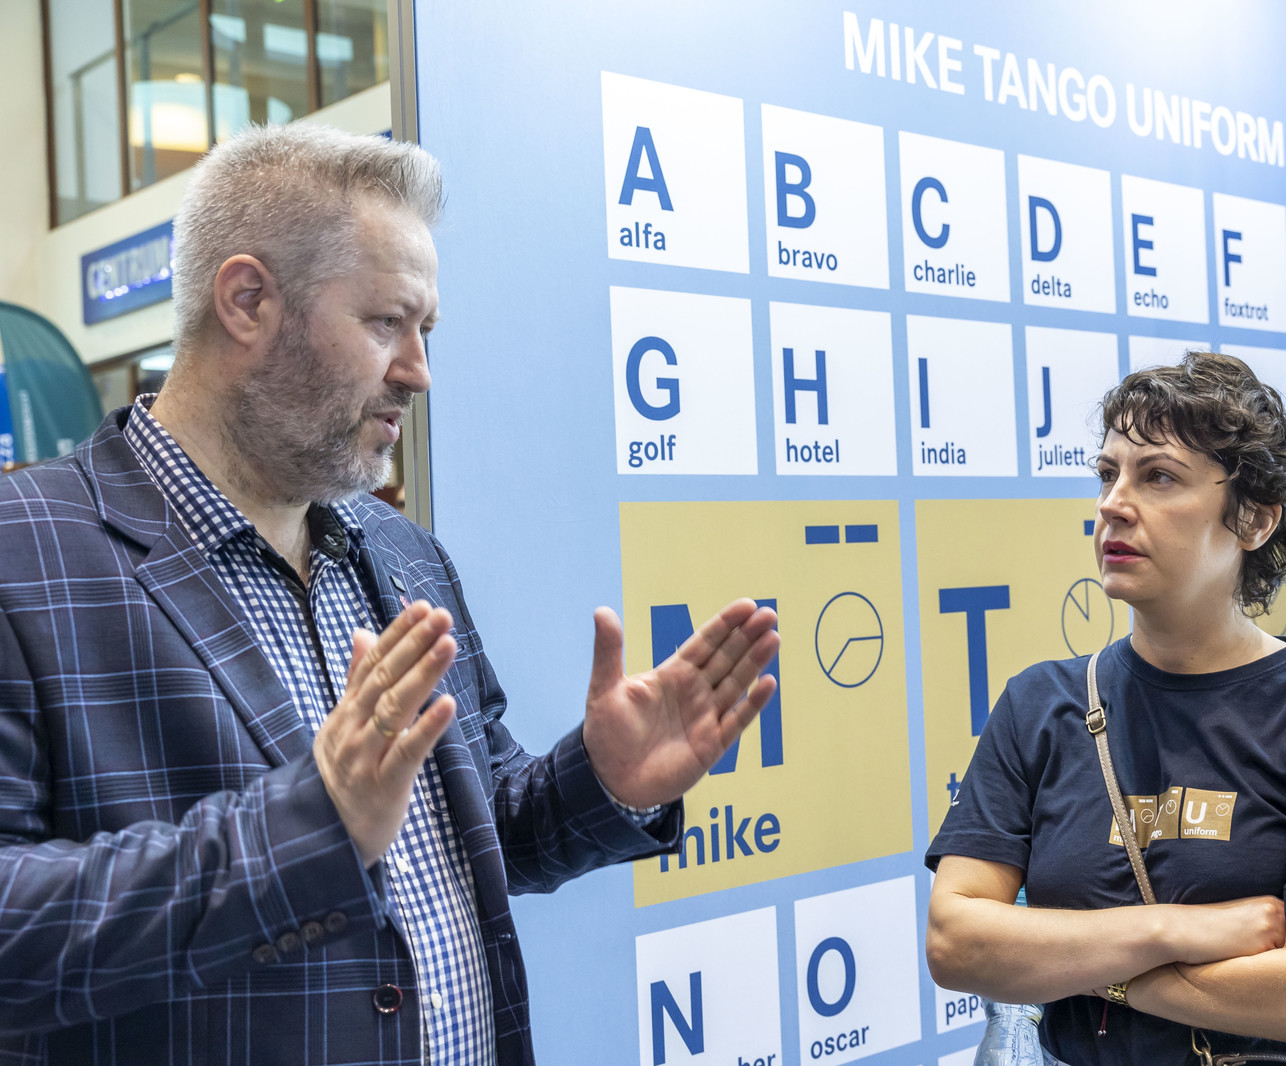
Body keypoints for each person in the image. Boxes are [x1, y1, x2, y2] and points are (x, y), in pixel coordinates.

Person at [0, 124, 779, 1065]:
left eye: (426, 330)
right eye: (385, 323)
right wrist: (306, 828)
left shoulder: (402, 554)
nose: (418, 371)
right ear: (247, 301)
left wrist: (602, 780)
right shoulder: (24, 555)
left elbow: (482, 830)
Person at [925, 353, 1286, 1066]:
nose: (1113, 504)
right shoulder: (1038, 704)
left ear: (1253, 519)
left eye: (1158, 476)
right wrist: (1172, 931)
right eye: (1108, 474)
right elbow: (955, 943)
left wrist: (1082, 967)